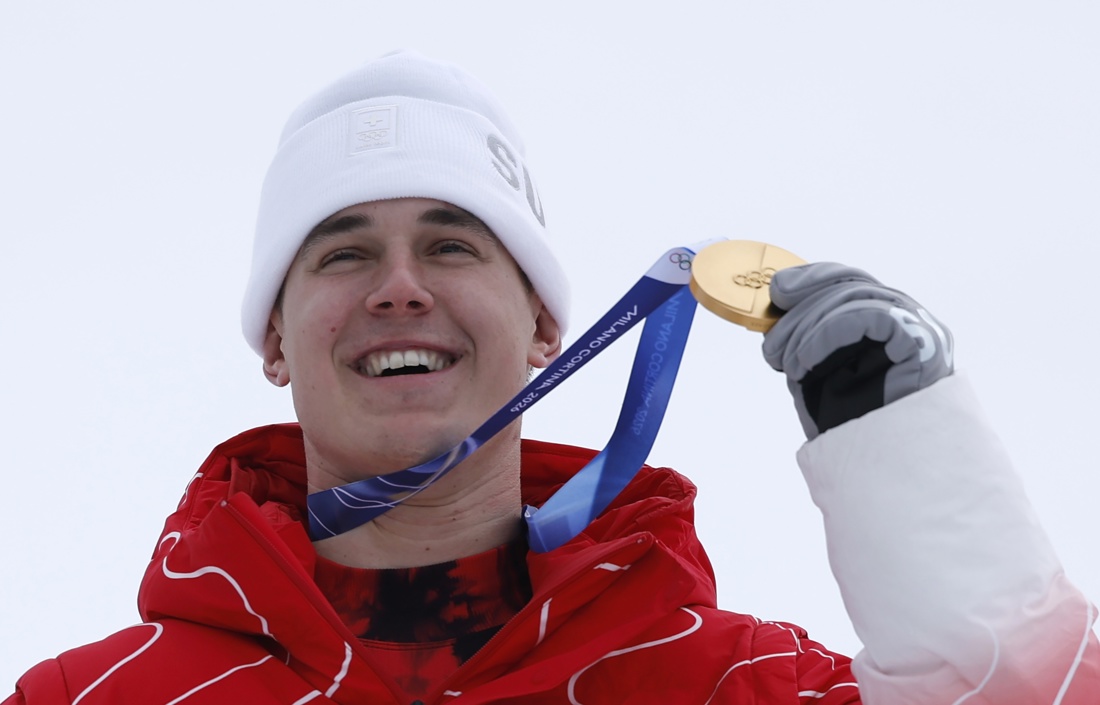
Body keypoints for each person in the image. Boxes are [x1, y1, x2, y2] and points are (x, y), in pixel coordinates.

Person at [6, 51, 1097, 704]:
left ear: (540, 326)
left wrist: (901, 447)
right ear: (276, 341)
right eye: (341, 253)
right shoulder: (91, 698)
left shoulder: (726, 685)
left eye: (451, 245)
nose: (399, 288)